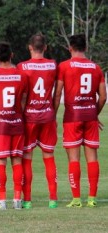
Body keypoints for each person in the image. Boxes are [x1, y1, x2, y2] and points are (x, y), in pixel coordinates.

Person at [54, 34, 107, 208]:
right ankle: (92, 198)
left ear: (70, 48)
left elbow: (58, 93)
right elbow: (103, 97)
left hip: (72, 118)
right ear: (85, 48)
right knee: (92, 158)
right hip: (90, 117)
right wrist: (94, 113)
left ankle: (76, 199)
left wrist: (52, 116)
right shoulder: (96, 68)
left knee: (74, 159)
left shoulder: (64, 66)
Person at [17, 33, 58, 209]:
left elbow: (22, 95)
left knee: (27, 157)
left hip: (29, 117)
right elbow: (57, 93)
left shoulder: (21, 66)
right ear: (46, 47)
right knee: (48, 156)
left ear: (29, 47)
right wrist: (52, 112)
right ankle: (53, 199)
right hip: (48, 116)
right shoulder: (53, 65)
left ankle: (27, 200)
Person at [0, 42, 28, 210]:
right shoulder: (22, 76)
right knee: (17, 161)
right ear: (12, 55)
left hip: (0, 126)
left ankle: (2, 201)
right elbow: (23, 102)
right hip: (17, 124)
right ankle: (17, 200)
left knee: (0, 162)